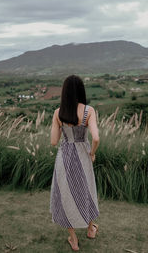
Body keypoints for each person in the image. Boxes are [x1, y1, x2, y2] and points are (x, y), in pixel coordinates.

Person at [49, 75, 100, 251]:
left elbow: (54, 142)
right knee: (87, 189)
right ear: (81, 90)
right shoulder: (89, 110)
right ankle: (91, 229)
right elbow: (96, 138)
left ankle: (73, 239)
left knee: (65, 195)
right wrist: (92, 153)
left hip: (65, 157)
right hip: (83, 155)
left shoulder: (58, 112)